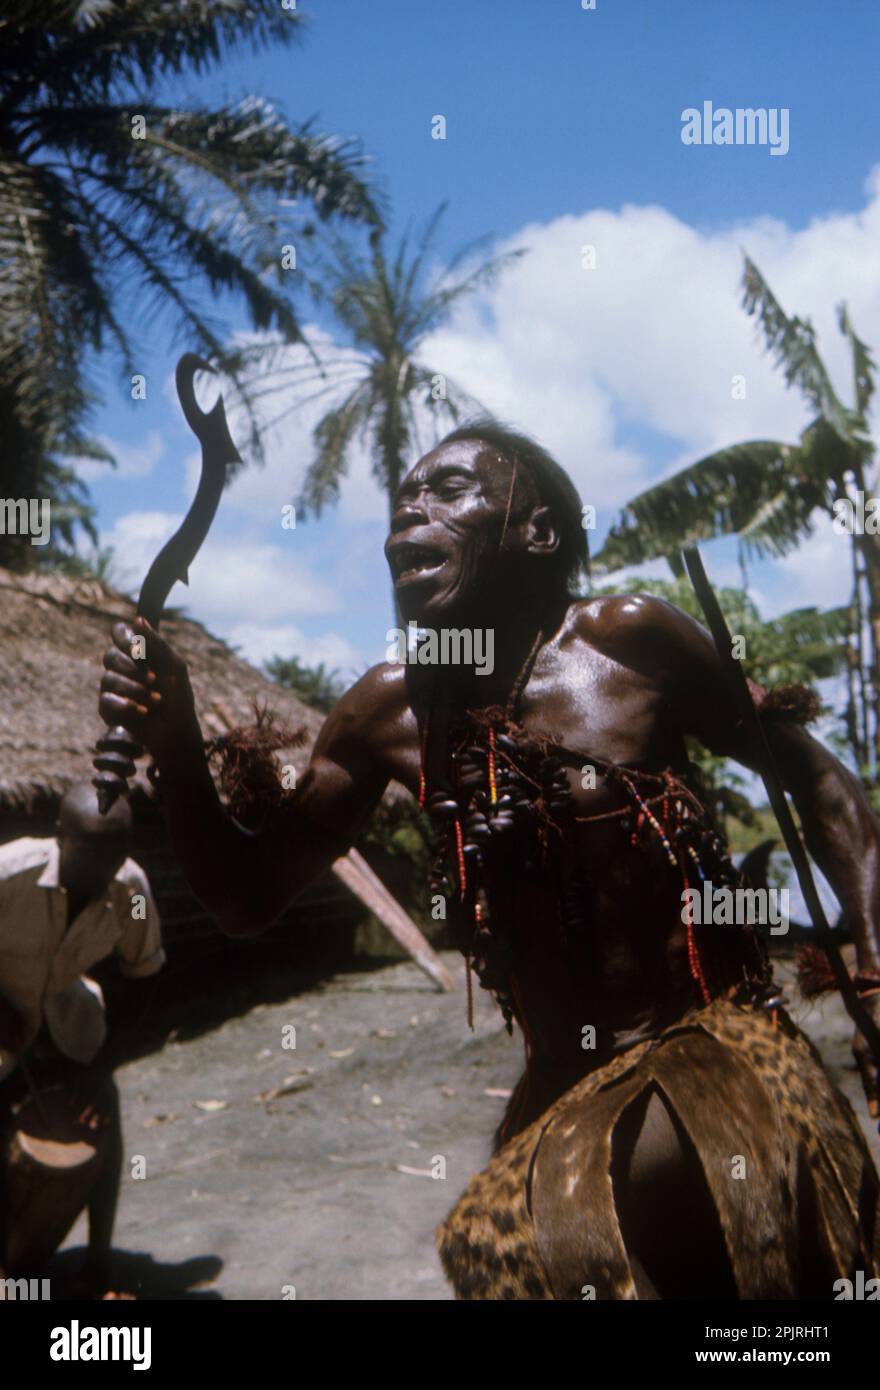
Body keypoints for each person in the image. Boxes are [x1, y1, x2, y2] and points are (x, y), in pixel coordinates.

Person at [99, 419, 880, 1299]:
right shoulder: (389, 714)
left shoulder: (631, 642)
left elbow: (828, 793)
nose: (406, 520)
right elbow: (245, 898)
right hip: (559, 1092)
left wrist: (873, 971)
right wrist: (172, 743)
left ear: (535, 532)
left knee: (569, 1240)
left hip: (711, 1055)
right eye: (400, 504)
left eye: (447, 492)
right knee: (520, 1245)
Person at [0, 783, 164, 1294]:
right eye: (88, 855)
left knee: (104, 1111)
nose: (101, 872)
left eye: (113, 858)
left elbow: (145, 976)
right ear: (59, 837)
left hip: (63, 1001)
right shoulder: (10, 873)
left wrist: (101, 1067)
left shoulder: (131, 892)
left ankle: (97, 1266)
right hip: (1, 1003)